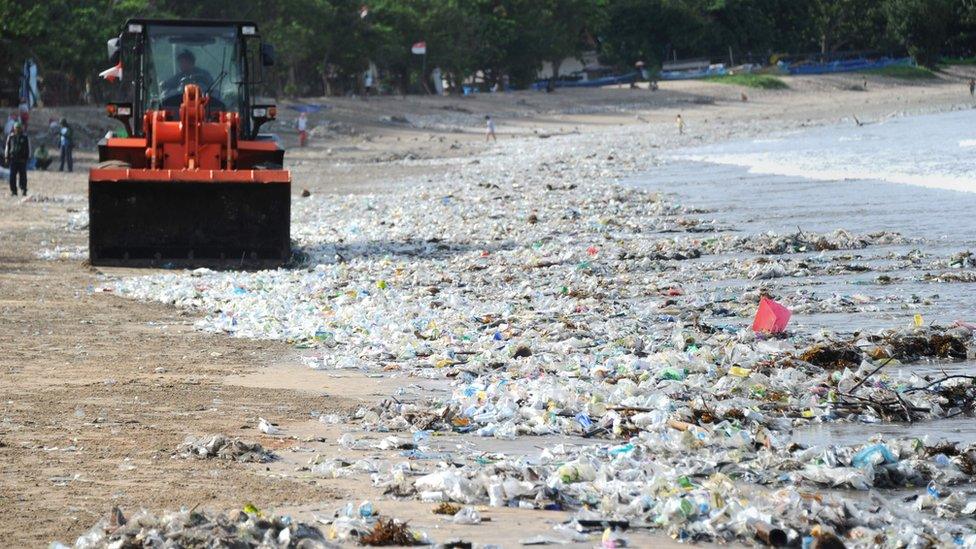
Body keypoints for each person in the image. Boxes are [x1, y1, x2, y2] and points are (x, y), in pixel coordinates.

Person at [5, 122, 30, 196]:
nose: (18, 130)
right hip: (13, 160)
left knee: (23, 176)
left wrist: (27, 157)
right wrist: (6, 157)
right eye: (16, 128)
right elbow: (7, 147)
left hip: (22, 160)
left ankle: (23, 189)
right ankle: (13, 191)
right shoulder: (11, 137)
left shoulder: (25, 137)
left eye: (19, 128)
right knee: (12, 176)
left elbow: (28, 148)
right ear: (14, 129)